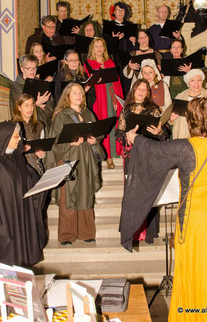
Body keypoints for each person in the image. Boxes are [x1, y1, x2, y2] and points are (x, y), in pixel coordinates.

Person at [122, 98, 207, 321]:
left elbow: (153, 150)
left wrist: (133, 137)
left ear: (191, 122)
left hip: (200, 222)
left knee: (201, 274)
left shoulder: (187, 149)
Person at [0, 121, 46, 274]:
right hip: (2, 219)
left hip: (20, 214)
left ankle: (22, 291)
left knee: (21, 260)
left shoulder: (17, 157)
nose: (20, 140)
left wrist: (46, 183)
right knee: (7, 260)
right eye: (16, 136)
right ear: (5, 138)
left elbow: (30, 179)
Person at [45, 83, 103, 245]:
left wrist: (94, 140)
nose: (78, 95)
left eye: (80, 93)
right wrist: (70, 143)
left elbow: (97, 134)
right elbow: (54, 141)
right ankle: (67, 235)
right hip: (68, 160)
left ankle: (87, 233)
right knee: (67, 197)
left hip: (85, 161)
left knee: (86, 193)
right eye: (75, 92)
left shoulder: (88, 113)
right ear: (67, 96)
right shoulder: (61, 116)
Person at [116, 79, 168, 244]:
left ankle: (149, 234)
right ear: (133, 90)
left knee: (149, 193)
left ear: (147, 93)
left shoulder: (154, 110)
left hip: (149, 155)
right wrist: (128, 135)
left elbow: (164, 135)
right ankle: (132, 232)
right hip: (132, 156)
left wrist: (160, 131)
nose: (141, 92)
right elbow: (118, 134)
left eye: (144, 89)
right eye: (138, 89)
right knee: (132, 194)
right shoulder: (126, 110)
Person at [86, 38, 123, 169]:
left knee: (112, 126)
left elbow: (115, 84)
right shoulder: (88, 64)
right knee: (102, 127)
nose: (99, 49)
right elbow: (87, 86)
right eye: (96, 46)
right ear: (92, 48)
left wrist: (114, 99)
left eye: (101, 46)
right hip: (97, 100)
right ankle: (105, 156)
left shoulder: (110, 63)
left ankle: (113, 154)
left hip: (109, 98)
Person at [9, 54, 53, 128]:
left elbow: (50, 105)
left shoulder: (41, 83)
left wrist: (44, 107)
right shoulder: (15, 86)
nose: (32, 71)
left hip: (43, 123)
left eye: (34, 68)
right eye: (29, 68)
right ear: (22, 69)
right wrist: (37, 103)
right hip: (26, 126)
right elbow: (18, 108)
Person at [170, 68, 207, 139]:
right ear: (188, 83)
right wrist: (172, 119)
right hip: (183, 135)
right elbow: (171, 121)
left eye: (199, 80)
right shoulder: (180, 96)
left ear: (202, 81)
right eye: (193, 80)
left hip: (204, 135)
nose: (196, 83)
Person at [12, 93, 46, 175]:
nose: (30, 108)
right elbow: (8, 151)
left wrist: (42, 154)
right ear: (19, 107)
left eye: (32, 105)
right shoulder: (12, 126)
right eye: (26, 105)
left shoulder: (39, 126)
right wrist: (21, 150)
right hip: (19, 169)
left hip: (37, 168)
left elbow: (43, 146)